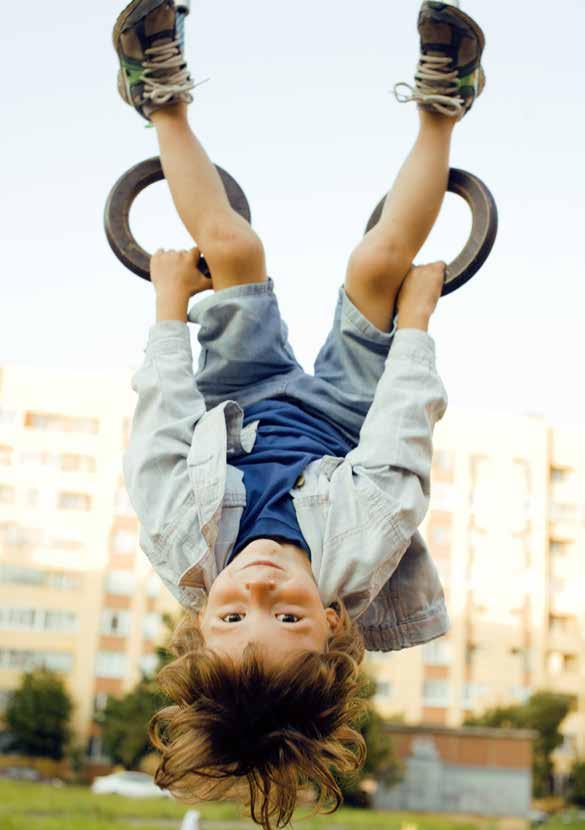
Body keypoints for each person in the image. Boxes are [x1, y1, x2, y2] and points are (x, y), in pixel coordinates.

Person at [116, 1, 485, 827]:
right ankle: (443, 105)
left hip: (235, 397)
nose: (258, 587)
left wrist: (169, 311)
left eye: (231, 612)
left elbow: (162, 424)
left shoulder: (181, 543)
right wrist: (415, 322)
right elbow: (399, 440)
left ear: (200, 616)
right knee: (380, 263)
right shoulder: (358, 556)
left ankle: (159, 95)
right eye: (284, 617)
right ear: (330, 622)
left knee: (235, 251)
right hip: (347, 414)